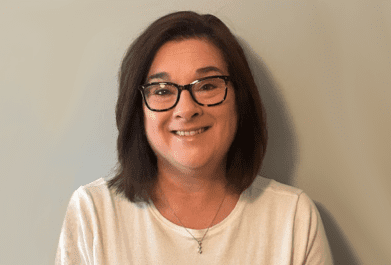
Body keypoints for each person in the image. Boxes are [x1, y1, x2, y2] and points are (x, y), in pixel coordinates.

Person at [55, 11, 333, 264]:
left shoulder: (293, 219)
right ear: (137, 111)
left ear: (240, 101)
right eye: (162, 90)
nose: (186, 109)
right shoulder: (93, 214)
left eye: (208, 86)